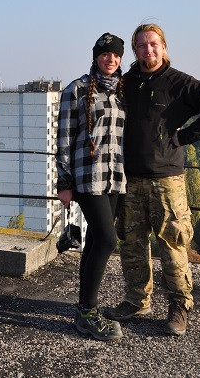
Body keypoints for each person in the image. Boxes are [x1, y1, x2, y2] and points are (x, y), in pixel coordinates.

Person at [106, 22, 200, 336]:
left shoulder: (178, 82)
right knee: (132, 244)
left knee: (173, 246)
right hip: (130, 178)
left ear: (163, 46)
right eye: (142, 45)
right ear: (135, 50)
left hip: (167, 181)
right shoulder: (127, 81)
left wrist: (186, 136)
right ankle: (137, 300)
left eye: (153, 44)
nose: (148, 50)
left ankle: (179, 307)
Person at [56, 32, 127, 342]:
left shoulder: (125, 92)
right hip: (88, 178)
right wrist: (64, 182)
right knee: (108, 241)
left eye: (115, 55)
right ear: (96, 56)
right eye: (104, 54)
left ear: (121, 58)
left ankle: (81, 311)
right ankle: (88, 311)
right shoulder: (77, 90)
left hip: (116, 178)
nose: (110, 59)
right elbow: (64, 139)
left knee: (96, 240)